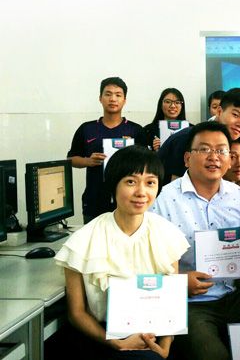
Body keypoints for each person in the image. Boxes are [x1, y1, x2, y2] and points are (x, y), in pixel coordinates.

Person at [55, 145, 189, 360]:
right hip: (102, 337)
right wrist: (115, 342)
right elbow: (76, 313)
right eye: (130, 182)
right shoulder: (84, 239)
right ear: (113, 184)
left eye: (150, 183)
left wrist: (165, 347)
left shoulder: (167, 234)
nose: (141, 192)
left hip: (155, 334)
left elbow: (172, 302)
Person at [151, 122, 240, 360]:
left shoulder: (237, 196)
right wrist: (179, 282)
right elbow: (145, 265)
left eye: (221, 150)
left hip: (231, 295)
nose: (214, 157)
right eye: (204, 149)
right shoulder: (162, 200)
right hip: (189, 302)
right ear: (187, 158)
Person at [67, 77, 145, 223]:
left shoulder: (136, 130)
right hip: (94, 200)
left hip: (128, 200)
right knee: (94, 237)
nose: (113, 99)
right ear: (100, 98)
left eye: (118, 95)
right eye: (108, 94)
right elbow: (70, 160)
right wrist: (88, 161)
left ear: (124, 100)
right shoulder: (87, 129)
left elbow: (146, 164)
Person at [158, 88, 240, 183]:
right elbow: (177, 186)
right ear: (219, 112)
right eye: (235, 115)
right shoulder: (188, 138)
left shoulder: (235, 142)